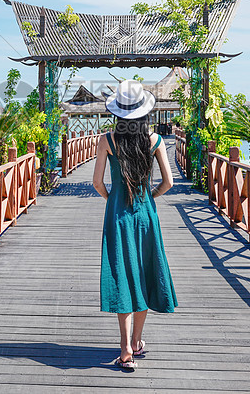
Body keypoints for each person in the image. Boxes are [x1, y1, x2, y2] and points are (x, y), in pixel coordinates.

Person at [92, 79, 177, 371]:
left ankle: (125, 347)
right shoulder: (154, 140)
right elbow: (168, 182)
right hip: (145, 215)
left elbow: (96, 183)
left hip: (117, 214)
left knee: (123, 276)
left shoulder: (107, 140)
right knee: (143, 273)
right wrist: (148, 197)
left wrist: (113, 199)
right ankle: (137, 341)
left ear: (118, 112)